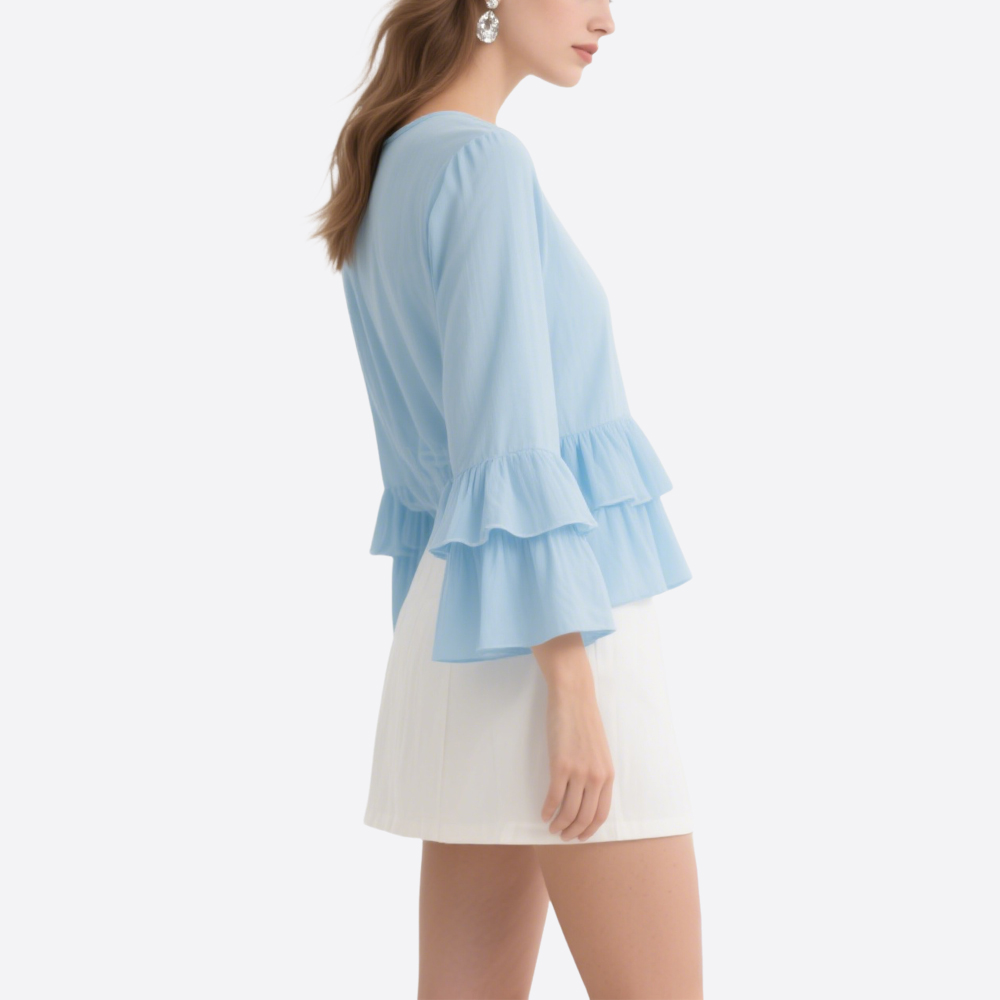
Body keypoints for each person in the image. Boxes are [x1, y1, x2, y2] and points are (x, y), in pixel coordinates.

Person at [312, 1, 703, 996]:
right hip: (558, 625)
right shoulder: (482, 164)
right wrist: (569, 685)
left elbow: (432, 471)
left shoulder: (389, 163)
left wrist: (437, 647)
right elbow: (506, 438)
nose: (607, 18)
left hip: (460, 623)